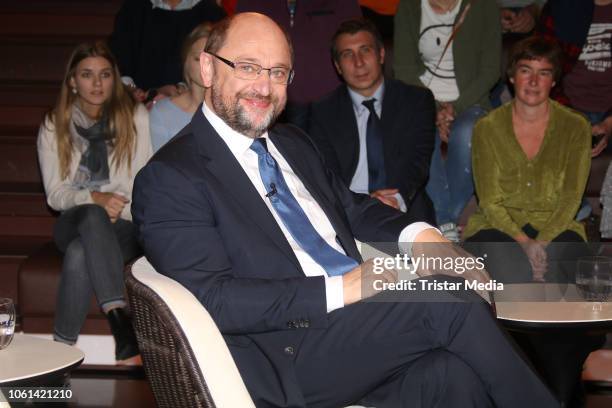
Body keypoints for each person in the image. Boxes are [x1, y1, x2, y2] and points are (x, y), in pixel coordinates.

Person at [132, 13, 559, 408]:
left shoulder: (294, 143)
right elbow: (215, 299)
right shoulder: (171, 176)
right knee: (449, 299)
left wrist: (422, 237)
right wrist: (342, 289)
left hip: (355, 330)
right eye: (247, 66)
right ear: (207, 69)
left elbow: (351, 208)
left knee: (453, 376)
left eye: (278, 72)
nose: (264, 86)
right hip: (286, 352)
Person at [37, 42, 153, 364]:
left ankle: (59, 355)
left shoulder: (135, 117)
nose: (97, 83)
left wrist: (116, 209)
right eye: (87, 75)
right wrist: (95, 200)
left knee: (79, 252)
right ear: (73, 81)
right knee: (90, 214)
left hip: (124, 223)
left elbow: (142, 183)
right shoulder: (53, 124)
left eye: (104, 75)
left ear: (114, 79)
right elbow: (56, 195)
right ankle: (121, 327)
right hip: (73, 219)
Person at [464, 37, 590, 284]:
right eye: (525, 71)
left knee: (560, 267)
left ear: (553, 80)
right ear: (512, 76)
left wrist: (541, 243)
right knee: (510, 268)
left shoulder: (576, 126)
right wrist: (525, 244)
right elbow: (489, 201)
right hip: (498, 226)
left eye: (543, 73)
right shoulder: (487, 128)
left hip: (557, 224)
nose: (533, 82)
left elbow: (571, 198)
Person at [309, 19, 436, 223]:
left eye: (365, 50)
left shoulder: (416, 100)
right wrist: (364, 203)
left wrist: (395, 199)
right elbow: (327, 174)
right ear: (338, 66)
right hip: (351, 211)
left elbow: (417, 162)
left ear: (382, 55)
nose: (358, 62)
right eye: (347, 54)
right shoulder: (322, 112)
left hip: (404, 205)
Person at [394, 0, 501, 241]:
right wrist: (433, 109)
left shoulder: (484, 6)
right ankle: (445, 221)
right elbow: (403, 68)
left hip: (471, 101)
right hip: (421, 100)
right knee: (419, 134)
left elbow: (491, 69)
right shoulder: (409, 8)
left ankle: (443, 218)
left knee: (467, 131)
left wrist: (454, 110)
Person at [235, 0, 362, 129]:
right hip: (272, 99)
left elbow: (358, 38)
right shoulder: (252, 5)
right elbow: (238, 46)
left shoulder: (341, 4)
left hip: (332, 100)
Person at [108, 0, 224, 102]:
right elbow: (119, 60)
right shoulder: (133, 8)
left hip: (193, 102)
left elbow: (219, 67)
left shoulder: (212, 13)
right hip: (138, 102)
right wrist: (132, 90)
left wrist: (181, 89)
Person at [538, 0, 612, 158]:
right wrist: (572, 118)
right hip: (565, 106)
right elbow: (541, 74)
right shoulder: (561, 8)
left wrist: (609, 123)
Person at [150, 22, 211, 152]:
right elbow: (161, 168)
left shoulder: (231, 112)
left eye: (212, 60)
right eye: (198, 58)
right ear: (185, 61)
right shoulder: (163, 112)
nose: (205, 66)